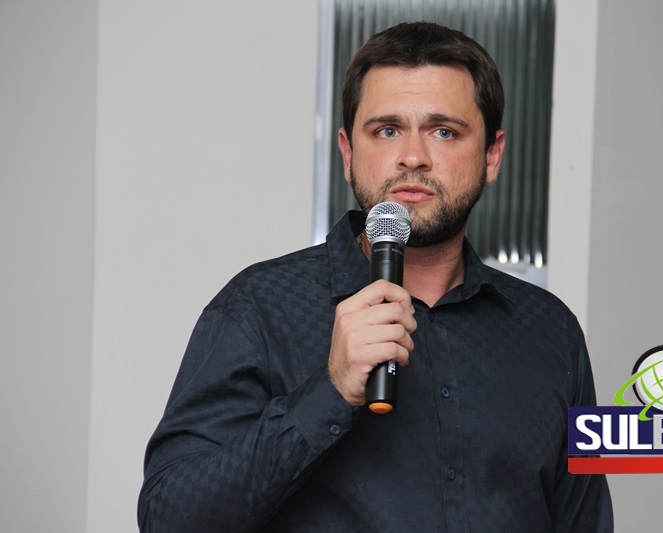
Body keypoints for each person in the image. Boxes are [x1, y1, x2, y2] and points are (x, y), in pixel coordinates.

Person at [138, 21, 613, 532]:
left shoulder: (551, 331)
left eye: (444, 132)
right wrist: (329, 392)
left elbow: (586, 520)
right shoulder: (258, 308)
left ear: (492, 156)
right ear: (348, 154)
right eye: (387, 130)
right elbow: (169, 517)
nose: (413, 157)